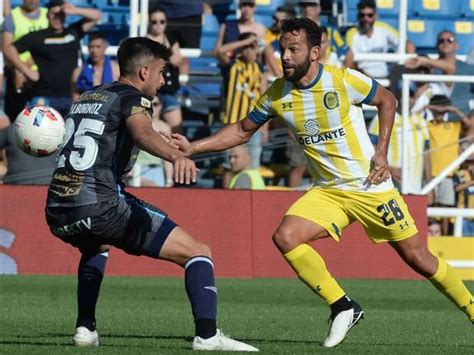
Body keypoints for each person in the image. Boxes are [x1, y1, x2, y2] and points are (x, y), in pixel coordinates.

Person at [171, 18, 474, 347]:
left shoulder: (342, 80)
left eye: (293, 49)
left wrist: (382, 153)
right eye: (282, 48)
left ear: (315, 53)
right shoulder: (277, 93)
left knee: (417, 257)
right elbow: (243, 130)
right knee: (286, 236)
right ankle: (343, 306)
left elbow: (387, 99)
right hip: (329, 191)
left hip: (369, 186)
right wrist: (194, 147)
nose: (284, 56)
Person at [43, 37, 258, 352]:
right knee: (198, 252)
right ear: (144, 72)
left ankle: (85, 329)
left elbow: (112, 135)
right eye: (160, 72)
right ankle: (208, 336)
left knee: (96, 245)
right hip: (102, 206)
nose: (163, 80)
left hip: (58, 208)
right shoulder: (134, 98)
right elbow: (141, 132)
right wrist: (177, 157)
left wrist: (157, 138)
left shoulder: (90, 95)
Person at [3, 0, 101, 117]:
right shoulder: (37, 36)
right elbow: (8, 49)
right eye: (53, 14)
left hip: (71, 97)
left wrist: (75, 10)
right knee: (40, 134)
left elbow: (97, 16)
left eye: (61, 14)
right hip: (43, 97)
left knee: (69, 134)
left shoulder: (73, 32)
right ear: (47, 15)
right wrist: (26, 71)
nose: (57, 17)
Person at [217, 32, 268, 187]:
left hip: (255, 127)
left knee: (252, 167)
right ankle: (227, 198)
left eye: (252, 47)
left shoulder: (260, 69)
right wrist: (245, 41)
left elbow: (264, 99)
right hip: (232, 125)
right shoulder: (232, 65)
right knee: (230, 166)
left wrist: (265, 128)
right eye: (245, 47)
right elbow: (219, 51)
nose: (248, 51)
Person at [426, 95, 471, 235]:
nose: (439, 113)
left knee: (445, 207)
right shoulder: (427, 124)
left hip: (448, 174)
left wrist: (453, 109)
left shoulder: (453, 126)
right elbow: (415, 115)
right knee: (429, 205)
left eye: (442, 111)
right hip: (430, 174)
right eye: (436, 111)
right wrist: (429, 107)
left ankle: (444, 237)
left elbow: (468, 125)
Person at [2, 0, 48, 122]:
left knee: (41, 118)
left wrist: (27, 67)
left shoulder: (48, 15)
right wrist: (19, 72)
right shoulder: (12, 17)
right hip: (17, 74)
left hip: (43, 75)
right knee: (15, 117)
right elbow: (6, 49)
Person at [345, 0, 415, 79]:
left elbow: (408, 44)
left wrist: (409, 61)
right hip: (364, 79)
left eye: (370, 15)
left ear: (375, 16)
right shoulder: (352, 33)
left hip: (387, 77)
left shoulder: (383, 28)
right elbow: (349, 60)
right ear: (358, 16)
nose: (366, 18)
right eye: (362, 15)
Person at [146, 6, 184, 134]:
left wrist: (163, 50)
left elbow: (178, 61)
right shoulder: (143, 41)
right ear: (149, 23)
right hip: (151, 92)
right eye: (154, 22)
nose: (158, 25)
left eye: (162, 21)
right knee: (149, 130)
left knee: (176, 132)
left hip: (169, 90)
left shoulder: (171, 39)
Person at [298, 0, 351, 67]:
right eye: (303, 5)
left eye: (311, 5)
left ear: (319, 8)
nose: (307, 9)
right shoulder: (294, 32)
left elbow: (348, 53)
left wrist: (342, 75)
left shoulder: (331, 31)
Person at [213, 0, 266, 66]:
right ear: (239, 7)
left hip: (252, 68)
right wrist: (246, 41)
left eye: (250, 5)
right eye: (244, 5)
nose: (247, 9)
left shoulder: (260, 29)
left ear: (255, 8)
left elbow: (261, 54)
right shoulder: (226, 26)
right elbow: (216, 52)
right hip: (231, 66)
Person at [71, 31, 119, 102]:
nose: (94, 50)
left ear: (105, 48)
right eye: (91, 47)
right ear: (88, 48)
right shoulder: (78, 72)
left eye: (98, 47)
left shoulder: (116, 69)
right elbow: (75, 97)